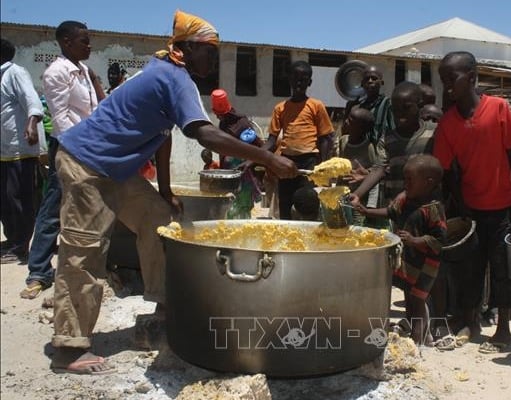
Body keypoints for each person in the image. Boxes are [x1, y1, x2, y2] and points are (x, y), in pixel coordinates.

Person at [48, 10, 297, 375]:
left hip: (114, 169)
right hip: (87, 163)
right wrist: (268, 158)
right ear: (186, 48)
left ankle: (164, 304)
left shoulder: (163, 72)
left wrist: (165, 190)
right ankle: (69, 348)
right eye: (208, 51)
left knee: (161, 219)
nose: (213, 59)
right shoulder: (174, 77)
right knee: (84, 251)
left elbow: (162, 136)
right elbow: (203, 132)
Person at [432, 51, 511, 353]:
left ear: (473, 77)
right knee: (471, 269)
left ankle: (503, 328)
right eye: (444, 79)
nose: (447, 84)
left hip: (503, 204)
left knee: (503, 269)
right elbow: (446, 171)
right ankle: (470, 321)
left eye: (453, 77)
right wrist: (460, 204)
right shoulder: (448, 123)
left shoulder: (499, 108)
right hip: (471, 210)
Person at [21, 21, 103, 299]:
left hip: (87, 145)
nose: (89, 45)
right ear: (66, 42)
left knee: (84, 207)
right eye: (84, 41)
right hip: (69, 147)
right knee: (54, 206)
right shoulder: (57, 73)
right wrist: (80, 150)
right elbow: (61, 117)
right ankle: (38, 272)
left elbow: (92, 110)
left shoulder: (83, 72)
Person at [354, 154, 446, 346]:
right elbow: (391, 212)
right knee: (409, 296)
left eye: (410, 180)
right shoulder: (405, 199)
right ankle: (414, 330)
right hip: (407, 260)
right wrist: (366, 211)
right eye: (405, 179)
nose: (406, 184)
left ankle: (417, 339)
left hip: (425, 264)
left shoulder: (433, 208)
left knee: (418, 300)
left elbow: (439, 239)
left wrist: (414, 240)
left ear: (428, 183)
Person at [347, 81, 436, 230]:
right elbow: (380, 168)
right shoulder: (389, 139)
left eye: (406, 108)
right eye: (395, 110)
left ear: (420, 104)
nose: (400, 114)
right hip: (398, 209)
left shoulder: (433, 134)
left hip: (428, 207)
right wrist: (357, 194)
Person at [262, 60, 334, 220]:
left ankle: (310, 235)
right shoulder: (280, 108)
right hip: (286, 162)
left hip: (309, 161)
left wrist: (323, 165)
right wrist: (252, 158)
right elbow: (271, 141)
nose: (299, 81)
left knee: (307, 202)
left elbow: (325, 138)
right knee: (285, 203)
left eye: (304, 78)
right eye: (295, 77)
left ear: (310, 82)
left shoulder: (316, 106)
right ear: (289, 79)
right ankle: (288, 238)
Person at [0, 38, 44, 264]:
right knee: (4, 201)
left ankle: (20, 248)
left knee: (17, 199)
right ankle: (11, 239)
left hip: (20, 148)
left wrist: (31, 124)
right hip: (3, 149)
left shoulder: (15, 73)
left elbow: (32, 100)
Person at [212, 88, 263, 219]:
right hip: (228, 176)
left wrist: (248, 162)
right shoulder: (223, 124)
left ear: (227, 112)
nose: (217, 116)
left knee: (242, 209)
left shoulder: (242, 124)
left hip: (244, 176)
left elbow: (260, 148)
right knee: (228, 208)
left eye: (219, 114)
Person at [338, 106, 381, 225]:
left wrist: (371, 206)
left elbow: (375, 174)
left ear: (362, 129)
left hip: (361, 200)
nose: (346, 121)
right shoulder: (343, 141)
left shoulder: (369, 148)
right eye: (348, 118)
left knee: (358, 227)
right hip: (343, 196)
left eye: (351, 121)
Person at [344, 64, 395, 144]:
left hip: (381, 151)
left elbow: (393, 131)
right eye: (366, 79)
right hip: (360, 151)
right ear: (362, 84)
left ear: (381, 82)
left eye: (374, 78)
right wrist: (348, 110)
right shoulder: (357, 107)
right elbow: (346, 132)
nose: (370, 81)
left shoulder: (388, 104)